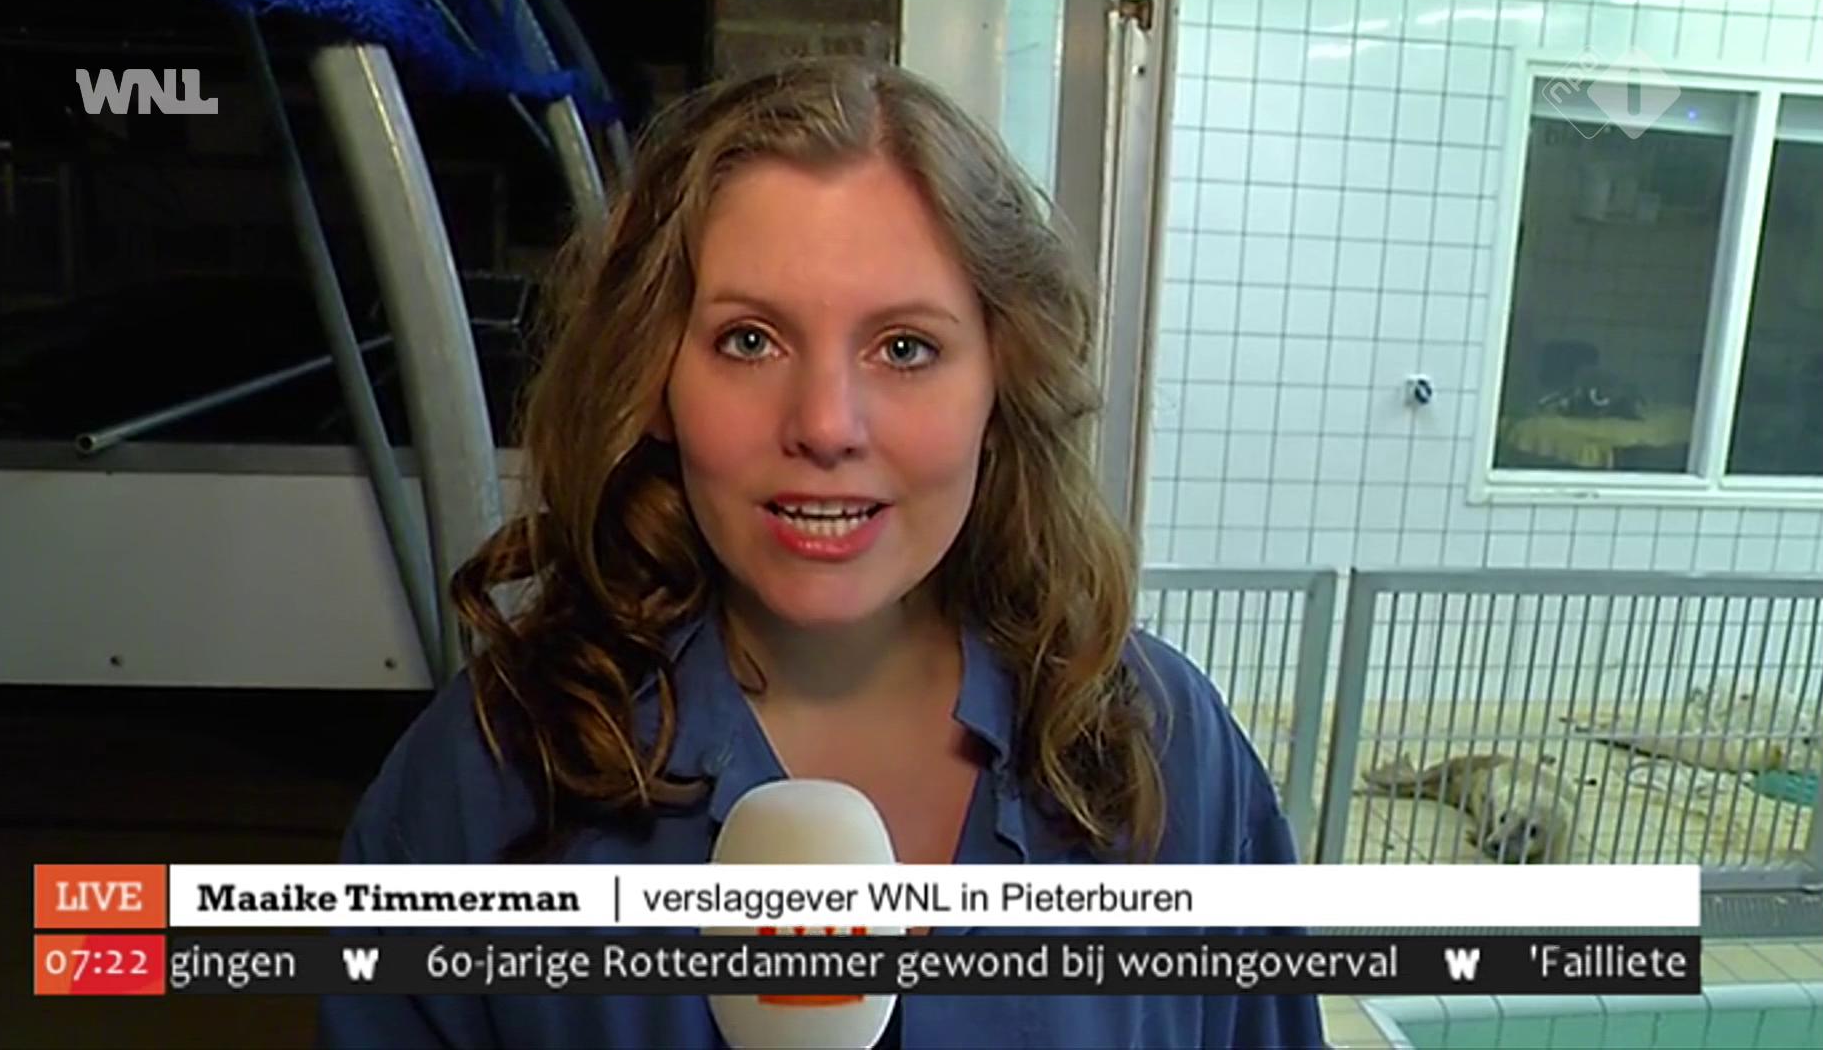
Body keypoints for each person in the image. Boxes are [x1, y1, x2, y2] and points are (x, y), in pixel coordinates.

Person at [320, 56, 1324, 1050]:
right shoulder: (486, 776)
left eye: (905, 348)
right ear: (655, 379)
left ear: (1002, 382)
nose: (826, 426)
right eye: (751, 341)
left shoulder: (1170, 749)